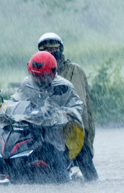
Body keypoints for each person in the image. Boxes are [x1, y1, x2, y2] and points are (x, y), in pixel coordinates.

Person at [0, 51, 84, 183]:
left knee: (55, 159)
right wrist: (3, 107)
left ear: (53, 73)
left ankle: (64, 182)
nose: (37, 80)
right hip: (33, 133)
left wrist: (65, 115)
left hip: (55, 137)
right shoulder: (28, 83)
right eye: (34, 75)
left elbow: (77, 107)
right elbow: (16, 99)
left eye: (42, 77)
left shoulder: (63, 87)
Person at [37, 32, 98, 181]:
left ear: (60, 50)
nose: (51, 52)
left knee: (86, 167)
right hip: (49, 130)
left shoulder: (73, 70)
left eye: (54, 49)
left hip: (75, 129)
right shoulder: (39, 73)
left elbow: (77, 103)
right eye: (46, 50)